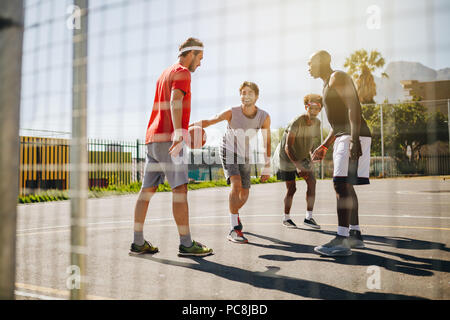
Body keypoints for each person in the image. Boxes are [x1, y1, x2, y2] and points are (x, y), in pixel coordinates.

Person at [130, 37, 213, 257]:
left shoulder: (164, 73)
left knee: (146, 191)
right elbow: (176, 101)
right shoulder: (183, 73)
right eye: (200, 58)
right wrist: (178, 133)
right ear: (191, 54)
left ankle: (138, 242)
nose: (200, 63)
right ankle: (186, 244)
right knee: (180, 190)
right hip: (170, 139)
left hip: (152, 139)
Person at [190, 81, 271, 244]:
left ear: (256, 96)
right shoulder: (232, 112)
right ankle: (234, 228)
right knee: (236, 185)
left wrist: (267, 166)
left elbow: (266, 142)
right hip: (228, 149)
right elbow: (210, 121)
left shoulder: (264, 117)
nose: (245, 95)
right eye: (243, 92)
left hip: (245, 154)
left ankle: (235, 214)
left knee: (245, 193)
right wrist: (186, 127)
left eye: (250, 93)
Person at [308, 50, 372, 257]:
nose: (308, 67)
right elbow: (339, 121)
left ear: (320, 62)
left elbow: (354, 107)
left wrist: (354, 139)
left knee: (339, 184)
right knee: (346, 185)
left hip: (352, 135)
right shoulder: (327, 84)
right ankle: (354, 235)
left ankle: (342, 239)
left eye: (310, 63)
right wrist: (325, 145)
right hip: (346, 134)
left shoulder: (337, 77)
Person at [272, 94, 323, 229]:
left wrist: (312, 156)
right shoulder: (297, 121)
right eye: (310, 106)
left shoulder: (317, 123)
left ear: (320, 109)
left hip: (302, 155)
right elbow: (288, 147)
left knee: (312, 182)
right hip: (285, 157)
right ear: (306, 107)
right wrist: (299, 166)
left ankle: (308, 218)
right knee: (292, 188)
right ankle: (286, 218)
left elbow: (311, 143)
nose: (313, 110)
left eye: (317, 107)